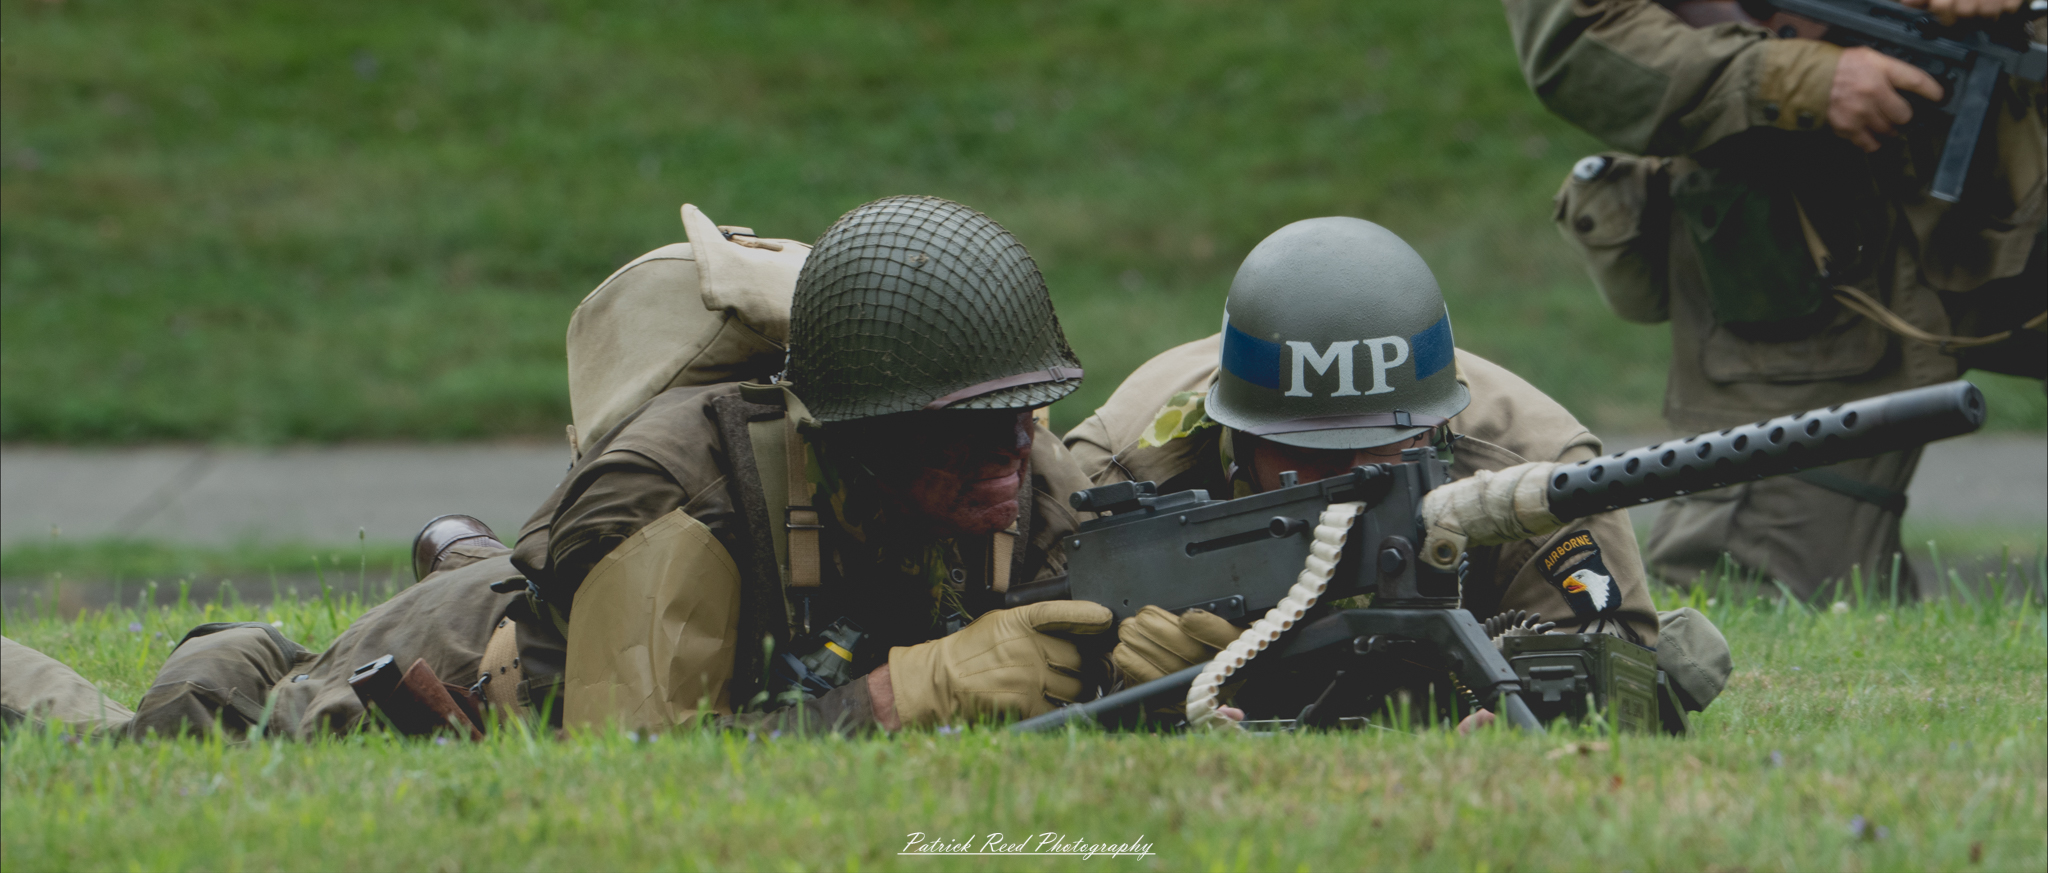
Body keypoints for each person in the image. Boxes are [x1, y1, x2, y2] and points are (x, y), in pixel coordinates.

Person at [2, 195, 1116, 738]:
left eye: (1021, 412)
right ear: (853, 430)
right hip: (445, 686)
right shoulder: (676, 497)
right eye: (959, 429)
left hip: (629, 629)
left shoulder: (1035, 476)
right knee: (175, 733)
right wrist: (898, 695)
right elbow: (633, 780)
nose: (1006, 450)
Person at [1512, 0, 2045, 597]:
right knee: (1761, 587)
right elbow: (1580, 41)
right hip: (1802, 237)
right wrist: (1794, 76)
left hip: (2027, 151)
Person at [1064, 217, 1671, 695]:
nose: (1354, 485)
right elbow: (1030, 658)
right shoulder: (1124, 463)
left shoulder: (1531, 467)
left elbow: (1627, 675)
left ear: (1435, 425)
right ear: (1238, 439)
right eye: (1311, 458)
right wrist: (1124, 678)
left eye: (1381, 449)